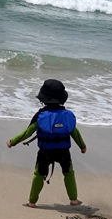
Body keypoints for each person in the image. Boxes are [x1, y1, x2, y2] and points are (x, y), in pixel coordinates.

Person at [7, 79, 87, 208]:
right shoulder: (67, 116)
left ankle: (32, 201)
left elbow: (28, 132)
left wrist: (13, 141)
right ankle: (73, 199)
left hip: (46, 151)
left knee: (39, 174)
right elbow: (75, 132)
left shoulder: (42, 115)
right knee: (69, 173)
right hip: (63, 151)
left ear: (43, 99)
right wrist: (82, 146)